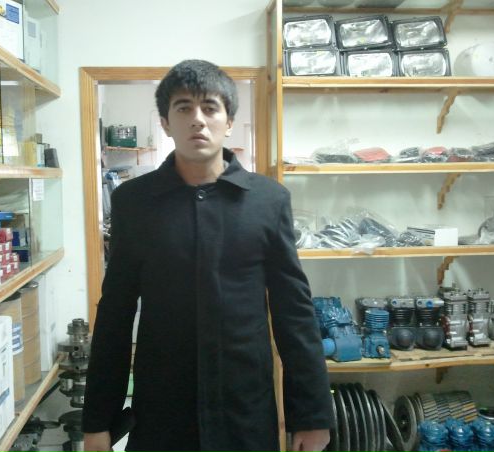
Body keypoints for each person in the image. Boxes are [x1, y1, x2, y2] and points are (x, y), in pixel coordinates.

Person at [82, 60, 332, 452]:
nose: (197, 119)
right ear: (166, 123)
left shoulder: (267, 201)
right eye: (183, 108)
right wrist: (99, 420)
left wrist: (312, 416)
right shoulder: (134, 202)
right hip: (162, 410)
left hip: (244, 409)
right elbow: (115, 313)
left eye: (210, 108)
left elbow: (294, 313)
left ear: (228, 122)